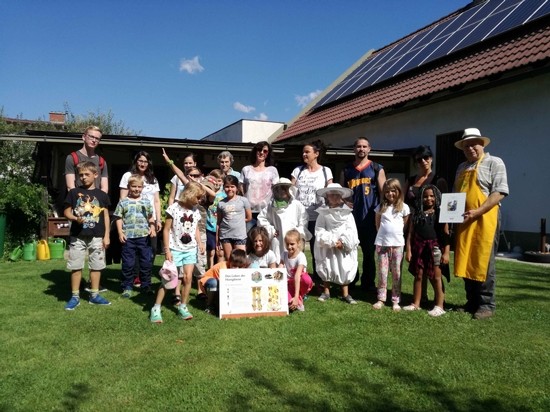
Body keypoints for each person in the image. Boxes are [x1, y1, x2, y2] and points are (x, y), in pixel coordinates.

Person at [453, 128, 508, 320]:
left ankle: (486, 304)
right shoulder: (461, 167)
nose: (470, 148)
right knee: (466, 258)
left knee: (483, 260)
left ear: (482, 144)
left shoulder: (495, 162)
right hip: (464, 219)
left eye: (473, 144)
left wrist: (477, 211)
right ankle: (472, 302)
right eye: (466, 146)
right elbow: (456, 196)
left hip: (485, 219)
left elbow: (499, 192)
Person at [150, 182, 205, 322]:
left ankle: (183, 307)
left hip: (190, 249)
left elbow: (196, 229)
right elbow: (166, 230)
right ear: (190, 194)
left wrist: (199, 243)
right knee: (168, 279)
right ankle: (156, 307)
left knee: (188, 278)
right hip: (174, 249)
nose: (199, 201)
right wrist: (167, 250)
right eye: (198, 197)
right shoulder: (173, 208)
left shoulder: (195, 211)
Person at [63, 161, 111, 310]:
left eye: (87, 174)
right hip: (78, 236)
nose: (83, 177)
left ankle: (94, 295)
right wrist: (75, 218)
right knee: (76, 266)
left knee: (96, 266)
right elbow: (66, 212)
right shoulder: (73, 193)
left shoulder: (102, 195)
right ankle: (75, 296)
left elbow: (106, 216)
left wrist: (107, 236)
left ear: (95, 175)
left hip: (97, 236)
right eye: (81, 175)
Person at [340, 137, 386, 292]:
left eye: (364, 146)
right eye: (358, 146)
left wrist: (381, 215)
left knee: (369, 253)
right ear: (354, 149)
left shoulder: (376, 168)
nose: (361, 149)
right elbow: (341, 194)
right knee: (350, 251)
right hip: (351, 219)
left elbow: (383, 193)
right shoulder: (346, 170)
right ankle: (351, 280)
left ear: (369, 149)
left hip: (370, 218)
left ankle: (368, 282)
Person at [404, 145, 448, 302]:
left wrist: (446, 232)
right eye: (419, 159)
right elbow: (403, 204)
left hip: (433, 228)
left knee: (435, 267)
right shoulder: (410, 181)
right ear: (415, 162)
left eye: (426, 157)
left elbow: (446, 207)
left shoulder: (439, 180)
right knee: (419, 265)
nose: (423, 161)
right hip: (414, 225)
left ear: (431, 159)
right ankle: (421, 297)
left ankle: (439, 301)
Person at [291, 139, 333, 291]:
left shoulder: (326, 171)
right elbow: (290, 191)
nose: (304, 154)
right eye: (303, 152)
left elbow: (331, 193)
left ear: (316, 154)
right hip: (300, 217)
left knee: (318, 250)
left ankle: (318, 281)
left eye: (307, 152)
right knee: (297, 249)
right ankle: (298, 280)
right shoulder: (298, 171)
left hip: (318, 217)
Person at [404, 185, 450, 316]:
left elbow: (446, 234)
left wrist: (446, 253)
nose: (428, 198)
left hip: (435, 248)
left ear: (436, 197)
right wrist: (409, 250)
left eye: (431, 196)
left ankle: (439, 306)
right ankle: (416, 303)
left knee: (436, 277)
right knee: (418, 275)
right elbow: (411, 234)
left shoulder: (441, 214)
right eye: (425, 196)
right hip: (419, 247)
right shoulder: (416, 214)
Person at [119, 151, 162, 288]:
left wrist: (158, 220)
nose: (143, 163)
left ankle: (145, 276)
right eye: (140, 161)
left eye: (145, 161)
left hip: (149, 219)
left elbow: (156, 201)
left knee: (151, 248)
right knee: (133, 250)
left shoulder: (152, 179)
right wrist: (123, 220)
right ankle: (135, 277)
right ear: (136, 161)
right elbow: (122, 198)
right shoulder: (128, 176)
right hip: (132, 220)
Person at [314, 184, 359, 305]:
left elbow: (351, 230)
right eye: (332, 194)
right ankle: (326, 291)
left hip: (342, 247)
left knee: (344, 265)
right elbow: (319, 229)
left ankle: (345, 293)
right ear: (327, 196)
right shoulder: (323, 213)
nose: (334, 197)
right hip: (328, 246)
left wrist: (343, 241)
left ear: (341, 196)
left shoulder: (348, 214)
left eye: (337, 194)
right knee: (326, 264)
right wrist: (331, 241)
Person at [114, 174, 156, 297]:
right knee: (128, 263)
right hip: (128, 238)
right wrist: (120, 232)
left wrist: (152, 227)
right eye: (133, 186)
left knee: (146, 262)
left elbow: (150, 217)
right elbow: (118, 218)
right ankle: (127, 286)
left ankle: (146, 285)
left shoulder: (146, 202)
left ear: (142, 188)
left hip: (144, 237)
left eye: (139, 187)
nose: (136, 189)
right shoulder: (123, 202)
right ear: (128, 187)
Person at [372, 178, 410, 312]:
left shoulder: (404, 207)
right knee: (382, 273)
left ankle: (395, 299)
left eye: (393, 191)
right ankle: (381, 298)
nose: (390, 194)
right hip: (382, 244)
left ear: (398, 191)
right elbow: (377, 224)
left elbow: (405, 225)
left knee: (396, 273)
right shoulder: (381, 207)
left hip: (397, 245)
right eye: (387, 191)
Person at [257, 178, 311, 263]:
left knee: (294, 261)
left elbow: (304, 221)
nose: (282, 191)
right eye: (280, 188)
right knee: (278, 261)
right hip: (277, 240)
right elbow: (261, 219)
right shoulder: (271, 205)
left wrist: (296, 233)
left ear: (290, 190)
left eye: (285, 188)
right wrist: (271, 230)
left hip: (293, 240)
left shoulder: (297, 205)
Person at [239, 141, 279, 230]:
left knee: (265, 236)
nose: (261, 152)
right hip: (249, 211)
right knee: (250, 236)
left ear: (268, 154)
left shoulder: (272, 170)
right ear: (255, 151)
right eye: (259, 149)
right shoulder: (246, 169)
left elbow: (276, 190)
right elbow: (242, 188)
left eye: (265, 151)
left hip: (267, 211)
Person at [199, 249, 249, 315]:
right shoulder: (223, 268)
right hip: (208, 284)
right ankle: (209, 304)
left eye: (240, 267)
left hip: (218, 286)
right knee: (214, 283)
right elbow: (224, 286)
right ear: (229, 261)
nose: (237, 269)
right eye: (234, 266)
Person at [217, 175, 252, 261]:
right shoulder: (221, 203)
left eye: (232, 186)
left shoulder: (243, 200)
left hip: (239, 235)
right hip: (225, 235)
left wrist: (238, 221)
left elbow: (249, 217)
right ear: (223, 188)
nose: (229, 189)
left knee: (241, 260)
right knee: (229, 259)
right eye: (227, 186)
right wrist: (217, 239)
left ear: (237, 188)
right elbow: (219, 222)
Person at [64, 126, 108, 193]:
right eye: (91, 137)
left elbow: (105, 188)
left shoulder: (101, 161)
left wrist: (98, 198)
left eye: (97, 138)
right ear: (83, 137)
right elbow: (70, 187)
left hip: (96, 198)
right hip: (78, 197)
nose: (94, 140)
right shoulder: (72, 158)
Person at [279, 229, 313, 312]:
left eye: (292, 244)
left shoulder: (301, 256)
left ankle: (300, 295)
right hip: (288, 283)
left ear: (298, 243)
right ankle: (294, 298)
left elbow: (297, 276)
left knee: (307, 279)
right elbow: (279, 269)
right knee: (288, 304)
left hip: (299, 282)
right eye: (287, 244)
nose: (289, 247)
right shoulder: (284, 254)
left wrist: (296, 296)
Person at [205, 170, 226, 269]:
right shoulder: (207, 195)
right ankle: (210, 270)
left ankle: (219, 272)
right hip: (209, 226)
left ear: (223, 182)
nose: (217, 183)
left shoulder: (225, 195)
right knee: (211, 252)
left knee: (220, 252)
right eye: (214, 180)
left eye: (219, 180)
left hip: (222, 227)